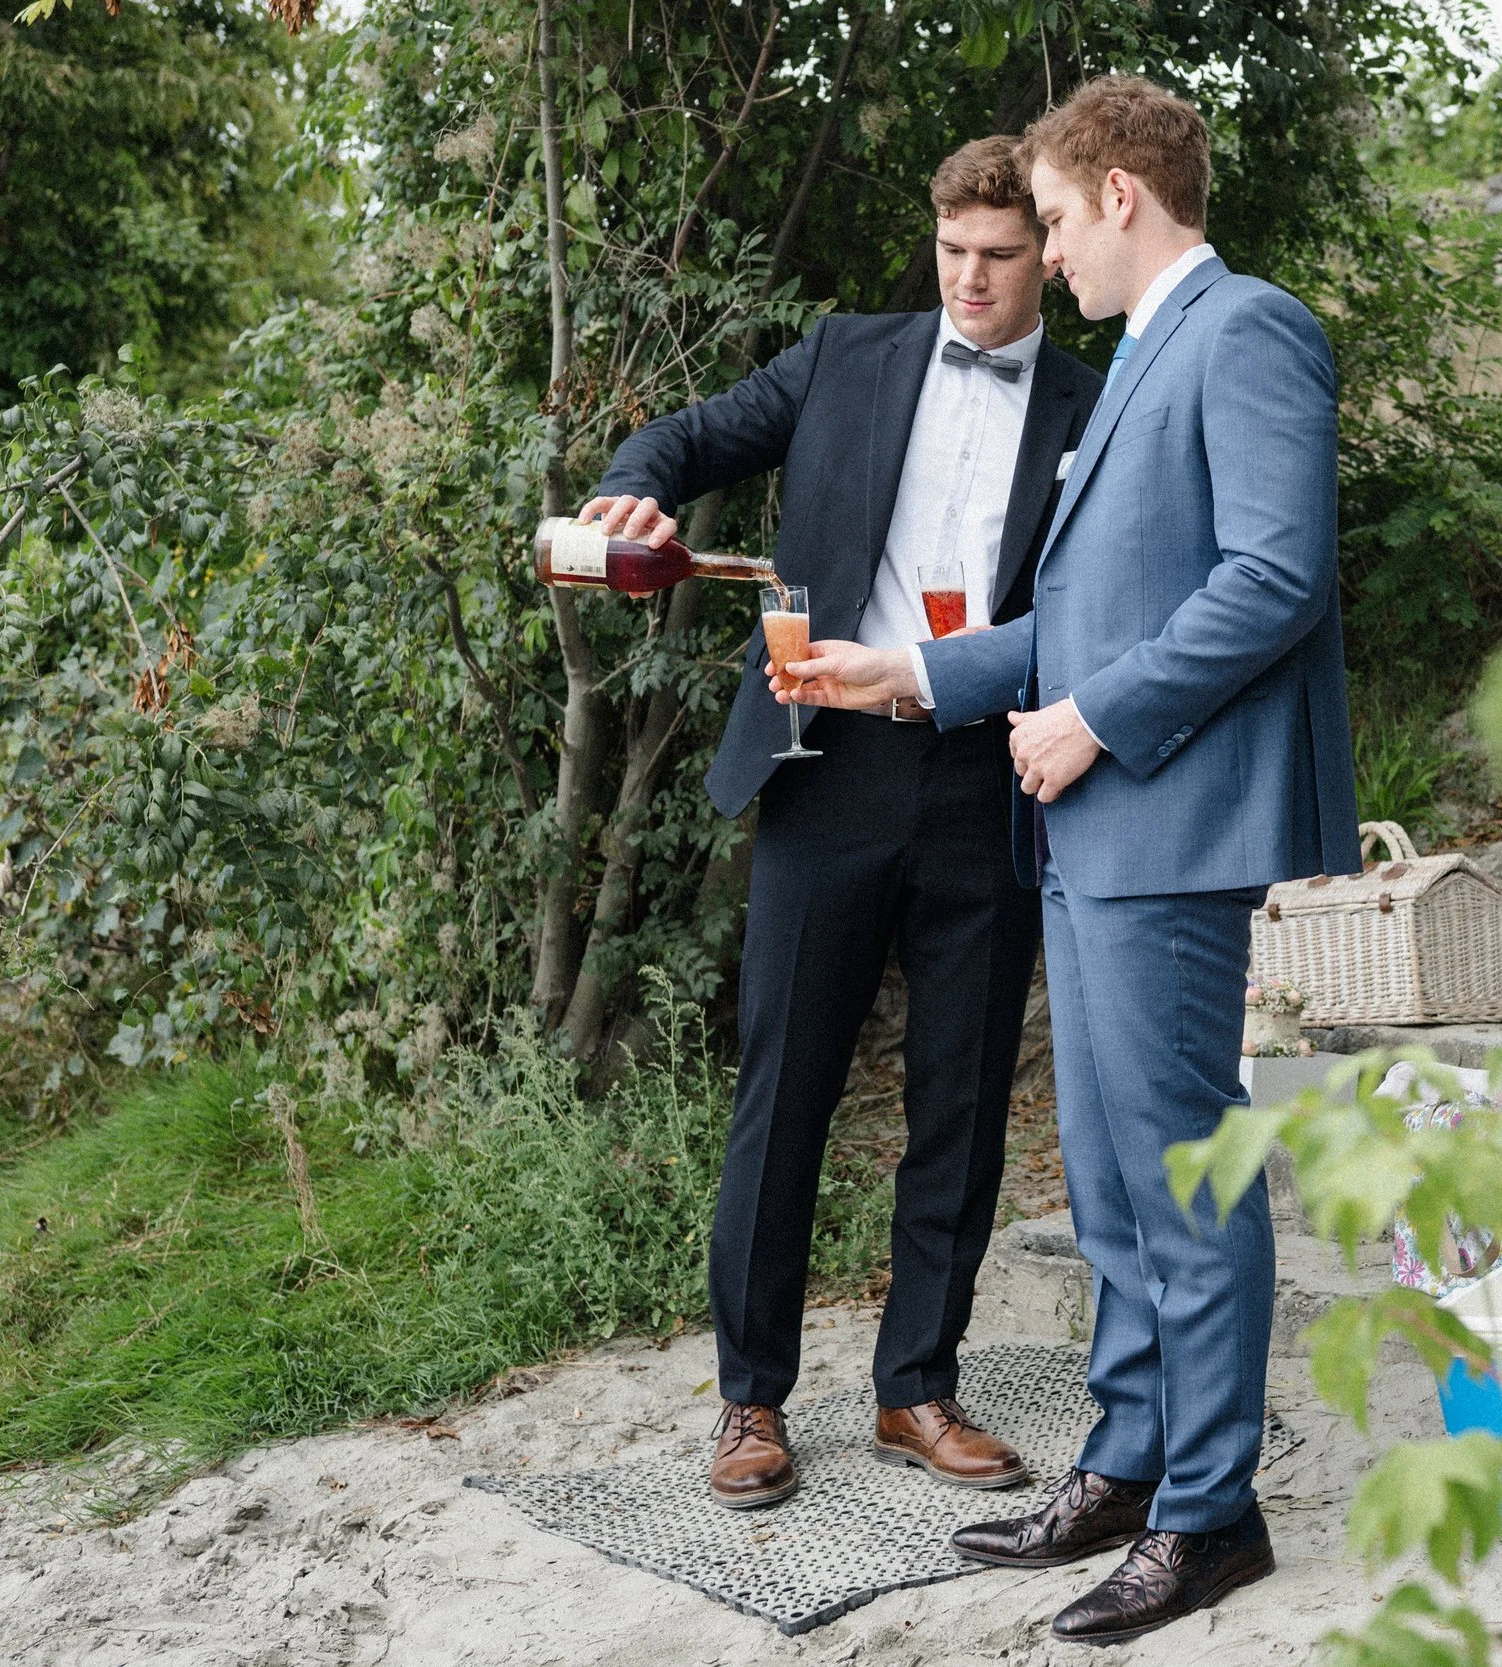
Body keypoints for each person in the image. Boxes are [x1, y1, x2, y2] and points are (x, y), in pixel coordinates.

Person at [779, 74, 1360, 1644]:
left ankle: (1209, 1509)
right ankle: (1123, 1458)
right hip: (1094, 821)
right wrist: (907, 674)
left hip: (1170, 817)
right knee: (1107, 1179)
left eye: (1046, 222)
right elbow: (1083, 610)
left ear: (1118, 194)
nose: (1041, 257)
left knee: (1182, 1172)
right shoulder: (1140, 361)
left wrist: (1094, 717)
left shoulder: (1245, 328)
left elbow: (1275, 576)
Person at [578, 137, 1106, 1511]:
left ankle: (915, 1386)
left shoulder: (1090, 402)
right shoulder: (844, 353)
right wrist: (631, 486)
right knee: (786, 1087)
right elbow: (693, 437)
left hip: (986, 770)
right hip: (824, 765)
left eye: (998, 254)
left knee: (965, 1092)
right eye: (952, 254)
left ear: (1046, 253)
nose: (972, 280)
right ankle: (750, 1400)